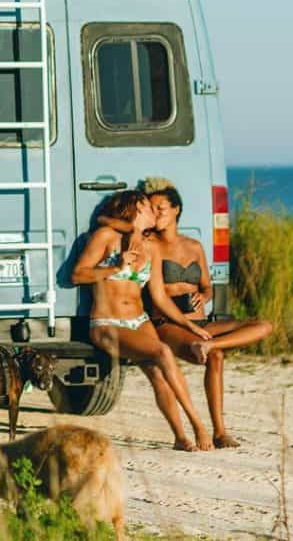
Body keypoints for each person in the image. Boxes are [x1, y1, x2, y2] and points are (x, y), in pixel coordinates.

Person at [71, 190, 213, 451]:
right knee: (161, 352)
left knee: (158, 373)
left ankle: (181, 438)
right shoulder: (105, 237)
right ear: (134, 208)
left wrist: (189, 325)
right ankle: (198, 425)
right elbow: (77, 275)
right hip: (107, 324)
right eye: (148, 206)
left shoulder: (152, 249)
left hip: (139, 320)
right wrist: (115, 268)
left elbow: (160, 299)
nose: (154, 212)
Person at [142, 177, 273, 448]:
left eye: (161, 208)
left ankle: (220, 431)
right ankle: (216, 430)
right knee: (215, 356)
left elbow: (207, 286)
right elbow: (157, 297)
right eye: (152, 209)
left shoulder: (194, 245)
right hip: (167, 324)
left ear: (176, 209)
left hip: (199, 322)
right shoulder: (150, 244)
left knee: (263, 325)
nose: (155, 214)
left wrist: (203, 296)